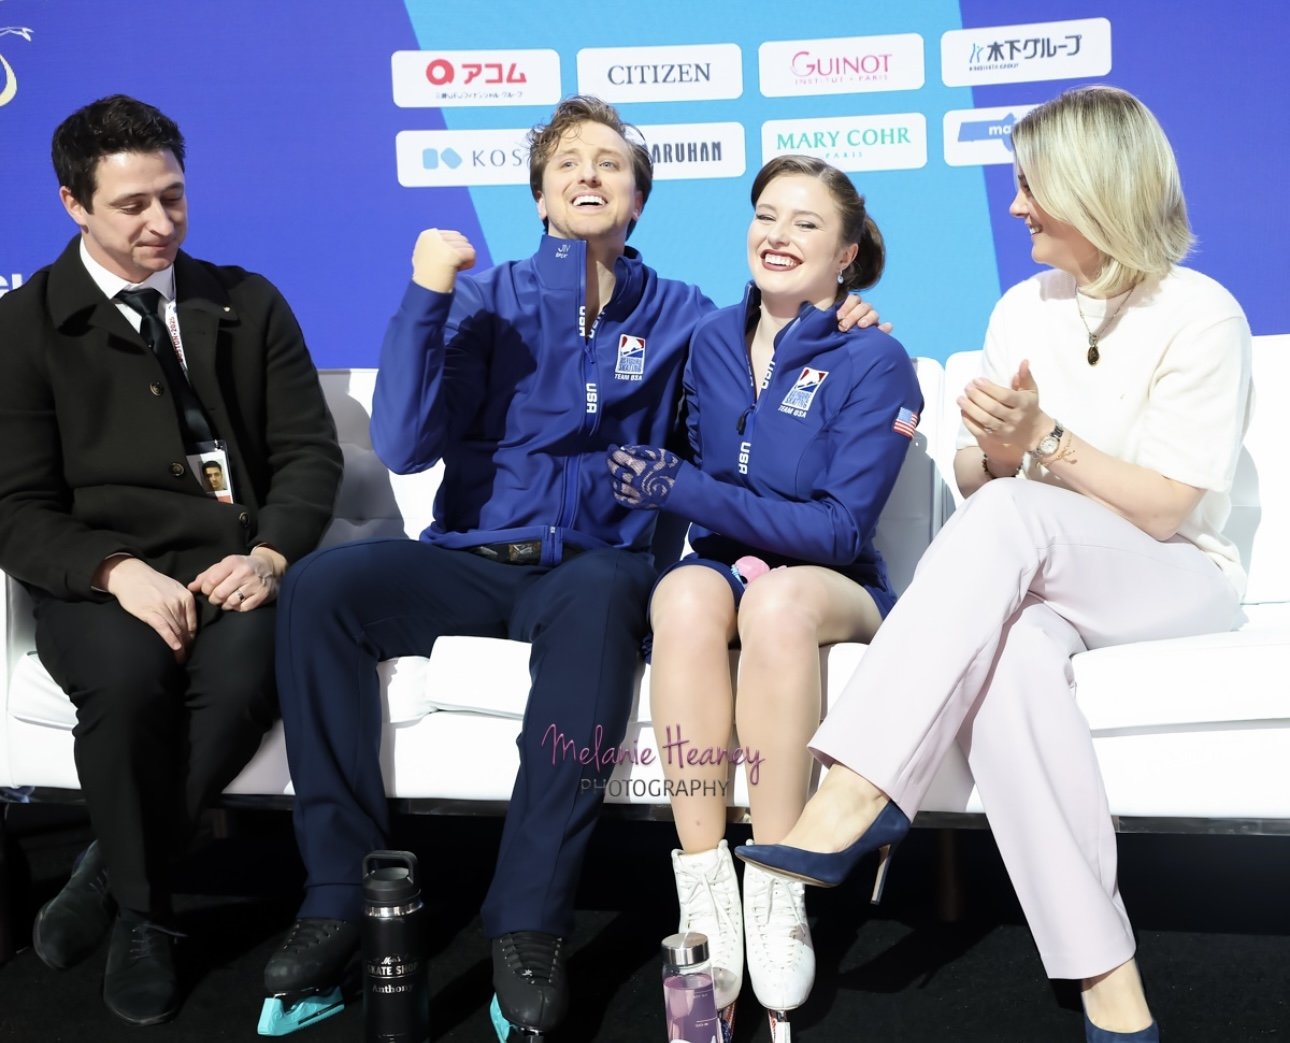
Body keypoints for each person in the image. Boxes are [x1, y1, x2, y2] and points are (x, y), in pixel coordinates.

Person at [261, 97, 879, 1038]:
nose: (589, 174)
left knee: (599, 597)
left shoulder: (687, 320)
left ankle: (528, 921)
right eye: (567, 164)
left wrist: (837, 320)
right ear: (542, 196)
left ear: (637, 199)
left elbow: (760, 391)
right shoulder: (484, 298)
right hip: (472, 560)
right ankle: (338, 893)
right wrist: (426, 292)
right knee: (320, 588)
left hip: (596, 568)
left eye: (611, 164)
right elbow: (400, 440)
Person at [738, 85, 1252, 1043]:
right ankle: (1109, 977)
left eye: (1031, 186)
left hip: (1174, 571)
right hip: (1048, 563)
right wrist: (1006, 449)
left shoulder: (1201, 314)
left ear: (1093, 190)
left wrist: (1043, 442)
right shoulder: (1024, 305)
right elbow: (982, 481)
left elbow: (1170, 504)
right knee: (1011, 656)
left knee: (1025, 514)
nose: (1015, 205)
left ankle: (856, 785)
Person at [0, 95, 343, 1025]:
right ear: (74, 203)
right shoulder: (25, 325)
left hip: (237, 568)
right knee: (126, 682)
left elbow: (311, 455)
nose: (162, 223)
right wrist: (115, 572)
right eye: (132, 206)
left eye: (175, 197)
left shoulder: (246, 300)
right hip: (100, 577)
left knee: (238, 686)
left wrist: (269, 555)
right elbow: (16, 507)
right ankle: (149, 918)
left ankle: (108, 872)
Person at [607, 155, 921, 1033]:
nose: (778, 236)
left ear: (847, 253)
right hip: (728, 568)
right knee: (682, 599)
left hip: (833, 585)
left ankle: (780, 882)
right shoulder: (709, 337)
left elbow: (838, 531)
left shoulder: (876, 355)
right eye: (767, 216)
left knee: (776, 604)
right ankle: (706, 884)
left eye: (807, 223)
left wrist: (688, 491)